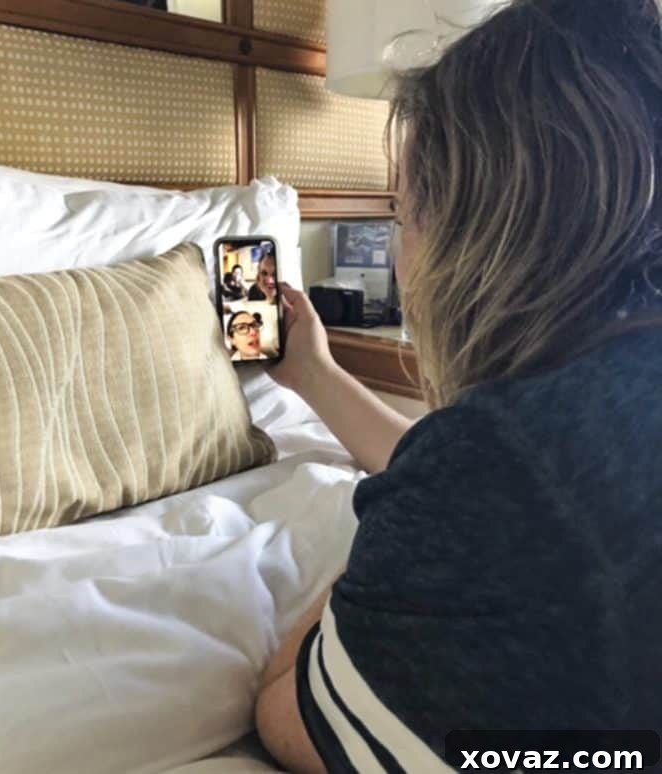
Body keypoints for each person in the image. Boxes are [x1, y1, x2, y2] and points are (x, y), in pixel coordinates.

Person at [254, 0, 662, 771]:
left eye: (402, 214)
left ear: (476, 233)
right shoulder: (577, 419)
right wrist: (314, 375)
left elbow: (291, 712)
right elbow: (526, 466)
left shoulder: (491, 475)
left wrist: (395, 530)